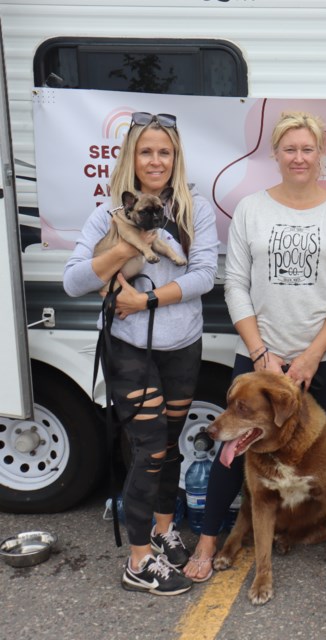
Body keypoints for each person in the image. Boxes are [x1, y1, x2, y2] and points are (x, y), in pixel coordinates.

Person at [183, 111, 326, 582]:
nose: (298, 157)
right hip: (260, 356)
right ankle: (209, 541)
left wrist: (310, 356)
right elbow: (236, 286)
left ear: (321, 153)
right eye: (289, 149)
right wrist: (260, 353)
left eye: (307, 148)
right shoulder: (252, 209)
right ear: (275, 154)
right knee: (234, 448)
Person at [64, 112, 219, 595]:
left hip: (181, 343)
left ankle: (162, 526)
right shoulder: (106, 212)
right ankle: (138, 561)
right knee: (149, 446)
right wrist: (125, 244)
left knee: (171, 440)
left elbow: (204, 276)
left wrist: (146, 298)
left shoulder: (195, 211)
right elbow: (73, 282)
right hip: (129, 345)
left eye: (165, 151)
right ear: (132, 157)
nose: (156, 160)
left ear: (176, 158)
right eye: (147, 151)